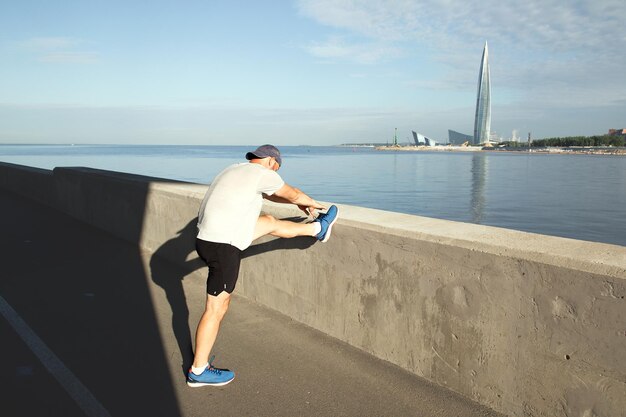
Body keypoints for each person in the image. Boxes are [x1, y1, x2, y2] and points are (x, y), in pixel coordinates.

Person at [187, 144, 338, 387]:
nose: (276, 174)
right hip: (223, 246)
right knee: (216, 309)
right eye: (277, 169)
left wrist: (294, 203)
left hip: (206, 239)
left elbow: (272, 194)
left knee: (268, 222)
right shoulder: (264, 174)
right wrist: (312, 204)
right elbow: (293, 193)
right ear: (271, 162)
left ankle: (318, 229)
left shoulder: (235, 170)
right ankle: (198, 370)